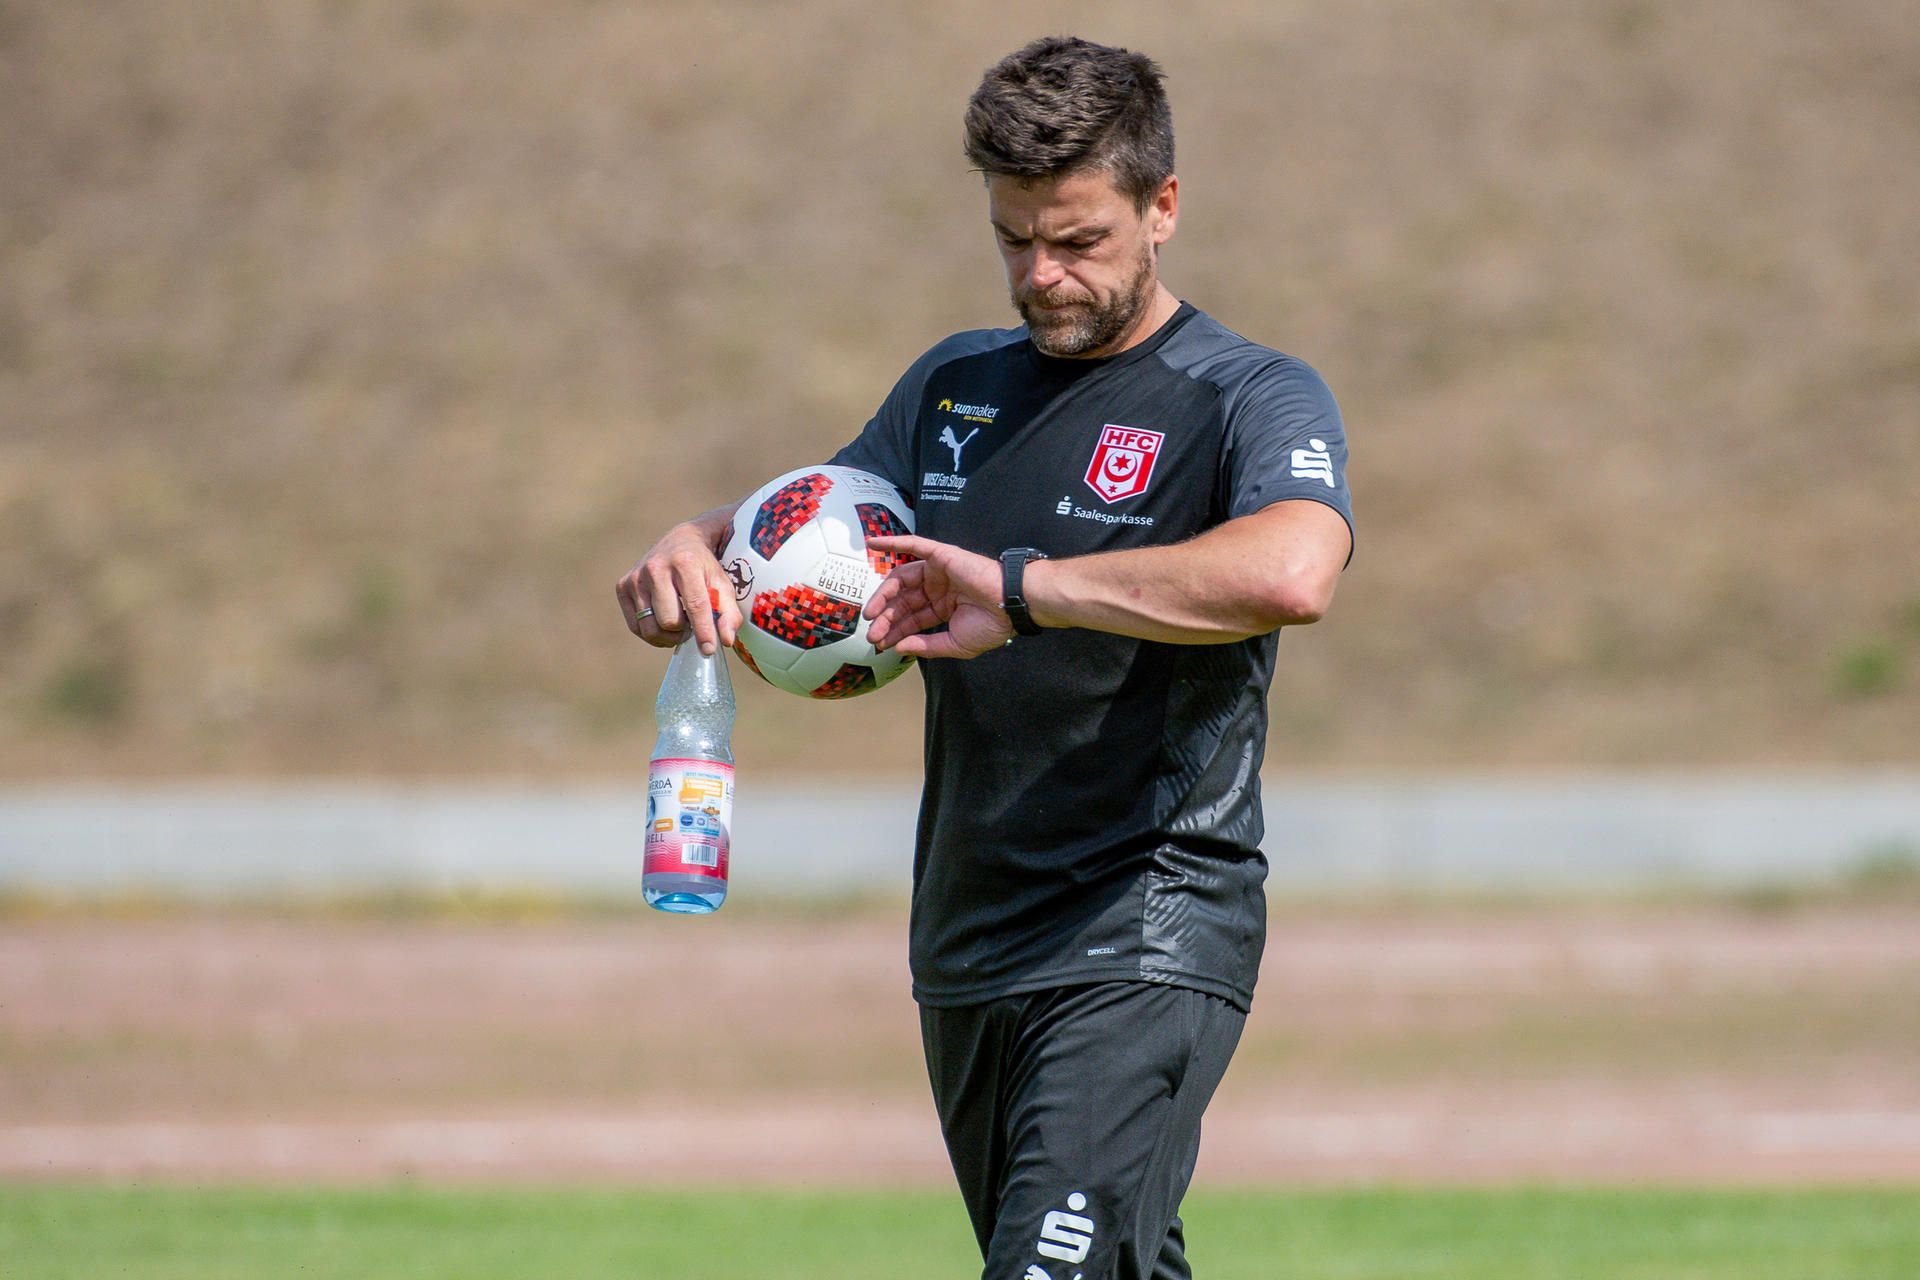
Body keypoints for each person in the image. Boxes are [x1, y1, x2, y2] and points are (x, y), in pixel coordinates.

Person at [617, 35, 1353, 1280]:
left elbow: (1291, 571)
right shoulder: (954, 384)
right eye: (1016, 238)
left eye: (1078, 240)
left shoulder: (1245, 395)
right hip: (965, 940)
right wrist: (692, 548)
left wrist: (1025, 590)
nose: (1042, 274)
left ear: (1163, 208)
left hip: (1148, 924)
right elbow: (814, 525)